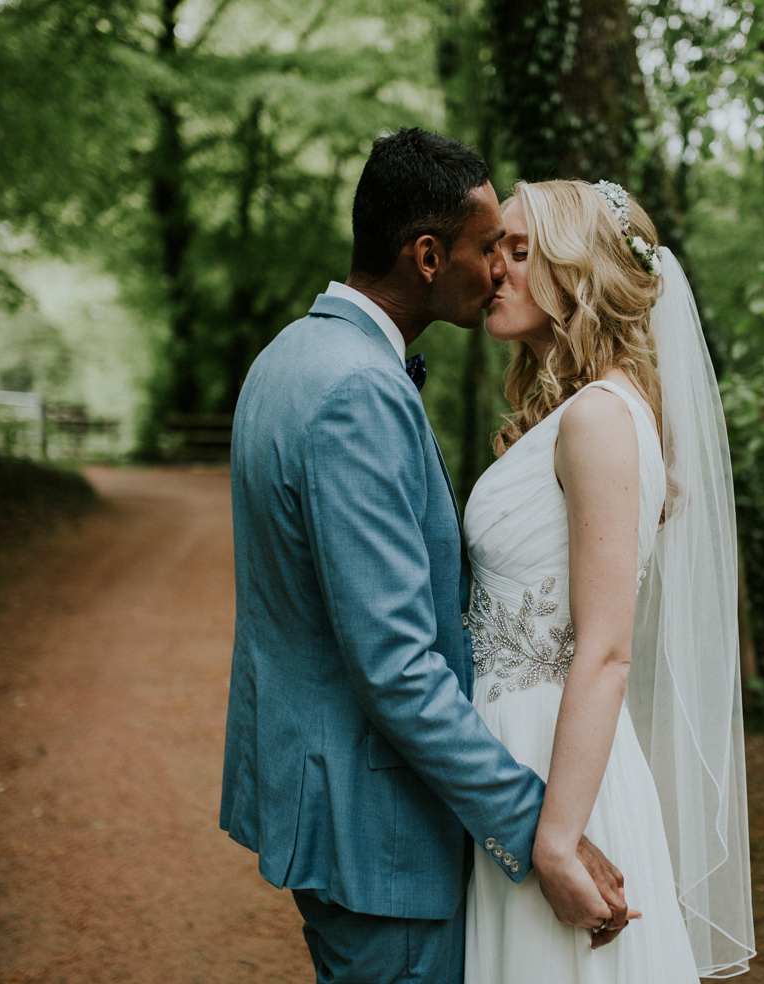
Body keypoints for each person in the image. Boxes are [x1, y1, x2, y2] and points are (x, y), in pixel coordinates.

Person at [219, 130, 631, 984]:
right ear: (429, 255)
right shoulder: (358, 393)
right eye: (489, 249)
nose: (497, 272)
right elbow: (397, 665)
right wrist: (534, 829)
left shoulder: (288, 357)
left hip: (323, 798)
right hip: (380, 830)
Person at [462, 179, 756, 982]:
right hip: (523, 756)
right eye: (494, 250)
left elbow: (606, 650)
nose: (496, 269)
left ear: (579, 271)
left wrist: (556, 839)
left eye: (521, 252)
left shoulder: (597, 417)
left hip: (558, 771)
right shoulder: (586, 413)